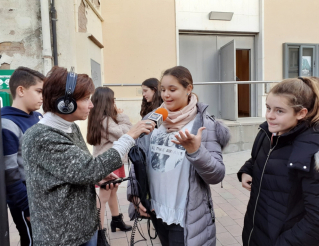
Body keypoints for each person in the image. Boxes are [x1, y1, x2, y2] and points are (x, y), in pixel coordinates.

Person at [22, 66, 155, 246]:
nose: (91, 105)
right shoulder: (42, 136)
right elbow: (89, 170)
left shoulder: (69, 127)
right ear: (65, 103)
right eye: (85, 99)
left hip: (83, 229)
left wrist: (99, 175)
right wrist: (129, 136)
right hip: (62, 237)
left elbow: (78, 169)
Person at [128, 66, 230, 246]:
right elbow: (138, 160)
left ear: (188, 89)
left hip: (185, 216)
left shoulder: (204, 125)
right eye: (163, 90)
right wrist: (135, 194)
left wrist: (195, 151)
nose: (166, 95)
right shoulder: (152, 119)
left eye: (172, 90)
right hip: (156, 209)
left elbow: (217, 175)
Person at [238, 77, 319, 246]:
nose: (270, 116)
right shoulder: (268, 132)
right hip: (256, 231)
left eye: (279, 111)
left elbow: (315, 218)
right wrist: (247, 170)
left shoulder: (310, 151)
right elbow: (258, 158)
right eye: (268, 108)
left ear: (301, 113)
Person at [1, 67, 45, 246]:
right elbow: (10, 173)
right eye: (39, 91)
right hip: (24, 198)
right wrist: (28, 206)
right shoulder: (7, 123)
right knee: (31, 240)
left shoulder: (39, 117)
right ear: (21, 90)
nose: (43, 97)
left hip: (43, 192)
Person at [87, 87, 132, 232]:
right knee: (103, 197)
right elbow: (123, 134)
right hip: (108, 162)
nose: (115, 102)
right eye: (113, 99)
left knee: (113, 191)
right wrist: (122, 117)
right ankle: (98, 232)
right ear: (107, 101)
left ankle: (116, 220)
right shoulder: (105, 120)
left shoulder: (98, 117)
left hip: (110, 161)